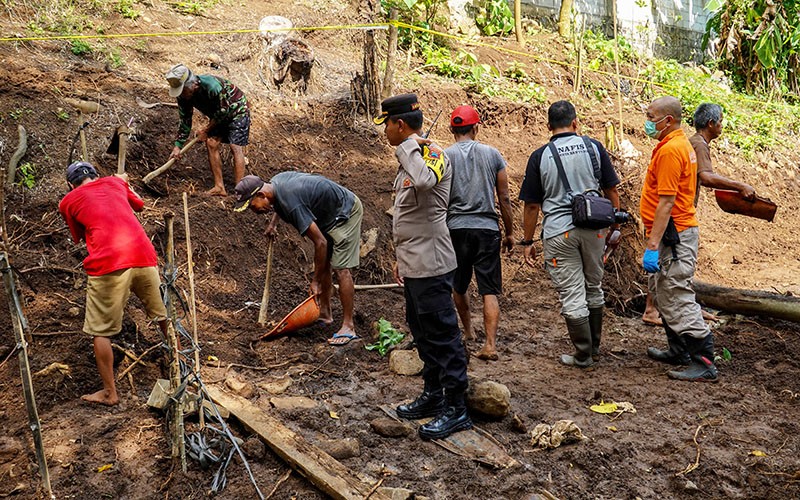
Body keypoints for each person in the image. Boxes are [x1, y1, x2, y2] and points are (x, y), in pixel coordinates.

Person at [375, 93, 472, 439]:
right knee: (422, 333)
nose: (385, 131)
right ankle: (433, 395)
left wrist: (409, 146)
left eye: (387, 124)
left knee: (443, 336)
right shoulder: (412, 157)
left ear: (400, 124)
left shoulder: (431, 153)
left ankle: (457, 407)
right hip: (415, 264)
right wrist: (401, 262)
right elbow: (407, 218)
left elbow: (426, 183)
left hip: (432, 262)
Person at [519, 100, 620, 368]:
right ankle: (594, 348)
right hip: (595, 229)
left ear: (548, 126)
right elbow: (611, 190)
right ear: (576, 122)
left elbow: (531, 205)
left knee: (572, 293)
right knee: (593, 286)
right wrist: (616, 226)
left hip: (559, 232)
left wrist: (527, 241)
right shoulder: (594, 147)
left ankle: (583, 354)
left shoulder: (540, 156)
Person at [59, 162, 168, 405]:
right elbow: (139, 205)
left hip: (108, 263)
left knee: (100, 330)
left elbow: (78, 236)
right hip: (144, 256)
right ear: (96, 175)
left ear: (70, 184)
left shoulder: (68, 201)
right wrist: (122, 182)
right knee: (163, 317)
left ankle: (110, 393)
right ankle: (183, 368)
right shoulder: (115, 182)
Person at [640, 102, 752, 326]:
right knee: (676, 269)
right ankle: (671, 313)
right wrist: (738, 186)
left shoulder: (687, 143)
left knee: (668, 269)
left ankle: (661, 310)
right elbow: (705, 177)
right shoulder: (695, 145)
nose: (722, 125)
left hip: (675, 215)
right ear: (711, 124)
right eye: (720, 121)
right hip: (677, 218)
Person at [233, 172, 363, 345]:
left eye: (251, 205)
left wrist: (315, 281)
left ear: (261, 195)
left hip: (345, 212)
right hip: (328, 214)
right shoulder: (275, 185)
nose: (253, 209)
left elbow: (321, 243)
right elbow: (279, 204)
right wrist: (273, 224)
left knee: (341, 269)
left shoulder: (292, 203)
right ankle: (325, 313)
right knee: (323, 263)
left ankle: (348, 326)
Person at [640, 96, 718, 382]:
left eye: (651, 116)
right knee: (663, 291)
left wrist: (652, 245)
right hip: (670, 234)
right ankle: (679, 350)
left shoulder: (673, 150)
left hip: (676, 235)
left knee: (676, 291)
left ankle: (704, 360)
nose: (648, 121)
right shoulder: (674, 145)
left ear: (667, 120)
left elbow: (667, 201)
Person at [445, 105, 514, 361]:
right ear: (476, 128)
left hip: (455, 229)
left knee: (458, 284)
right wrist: (509, 233)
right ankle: (490, 345)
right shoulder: (492, 154)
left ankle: (469, 332)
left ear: (452, 129)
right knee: (489, 289)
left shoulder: (444, 156)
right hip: (486, 228)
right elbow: (504, 197)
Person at [165, 63, 250, 196]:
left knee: (235, 146)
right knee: (211, 143)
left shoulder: (212, 86)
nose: (181, 94)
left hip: (236, 109)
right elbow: (185, 120)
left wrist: (206, 130)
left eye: (183, 90)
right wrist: (178, 145)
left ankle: (241, 191)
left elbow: (224, 111)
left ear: (193, 85)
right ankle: (219, 187)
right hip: (218, 114)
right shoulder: (183, 96)